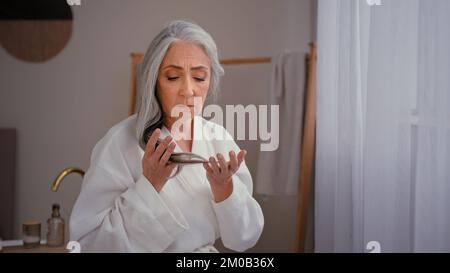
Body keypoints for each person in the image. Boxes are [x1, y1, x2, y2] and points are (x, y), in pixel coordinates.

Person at [69, 20, 264, 252]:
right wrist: (150, 184)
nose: (188, 90)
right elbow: (88, 245)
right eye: (172, 77)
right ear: (154, 82)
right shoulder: (121, 143)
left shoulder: (217, 138)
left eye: (200, 78)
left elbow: (245, 237)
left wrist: (225, 190)